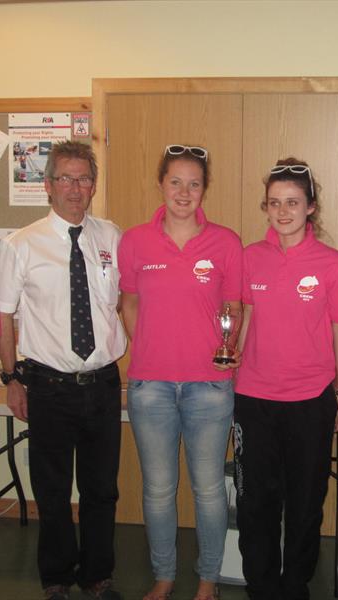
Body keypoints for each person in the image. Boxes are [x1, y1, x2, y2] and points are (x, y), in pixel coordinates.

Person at [0, 141, 125, 600]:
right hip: (47, 385)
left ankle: (96, 576)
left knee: (101, 491)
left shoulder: (112, 237)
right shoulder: (21, 245)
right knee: (51, 492)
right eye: (65, 179)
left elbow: (126, 303)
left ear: (93, 185)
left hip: (104, 384)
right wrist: (11, 379)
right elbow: (3, 317)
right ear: (47, 185)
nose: (75, 188)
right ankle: (56, 579)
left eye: (84, 178)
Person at [118, 144, 242, 600]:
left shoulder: (225, 242)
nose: (184, 192)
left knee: (208, 489)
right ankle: (164, 574)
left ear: (204, 188)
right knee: (157, 489)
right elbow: (128, 302)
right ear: (161, 185)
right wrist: (146, 343)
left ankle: (208, 577)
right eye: (176, 182)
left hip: (210, 387)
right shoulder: (134, 240)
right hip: (150, 385)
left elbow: (233, 308)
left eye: (194, 183)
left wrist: (226, 346)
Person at [233, 158, 338, 600]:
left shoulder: (333, 263)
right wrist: (232, 360)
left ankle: (294, 585)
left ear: (311, 208)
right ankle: (261, 587)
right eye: (274, 203)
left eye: (293, 203)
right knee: (255, 504)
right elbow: (242, 319)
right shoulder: (251, 257)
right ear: (266, 207)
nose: (283, 211)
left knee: (304, 505)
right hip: (254, 399)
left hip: (310, 400)